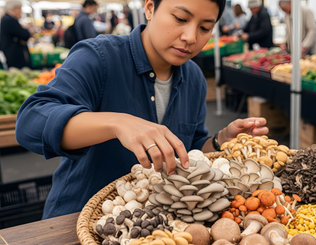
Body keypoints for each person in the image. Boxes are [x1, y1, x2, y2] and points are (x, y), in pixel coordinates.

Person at [16, 0, 268, 219]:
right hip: (77, 218)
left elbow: (188, 150)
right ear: (150, 8)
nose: (191, 37)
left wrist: (220, 141)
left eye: (205, 28)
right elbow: (31, 121)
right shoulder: (99, 57)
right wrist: (117, 123)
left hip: (154, 225)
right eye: (180, 18)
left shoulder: (193, 78)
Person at [0, 1, 31, 69]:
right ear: (15, 9)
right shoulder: (9, 20)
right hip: (13, 55)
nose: (21, 11)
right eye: (20, 8)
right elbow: (25, 35)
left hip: (11, 53)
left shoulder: (6, 19)